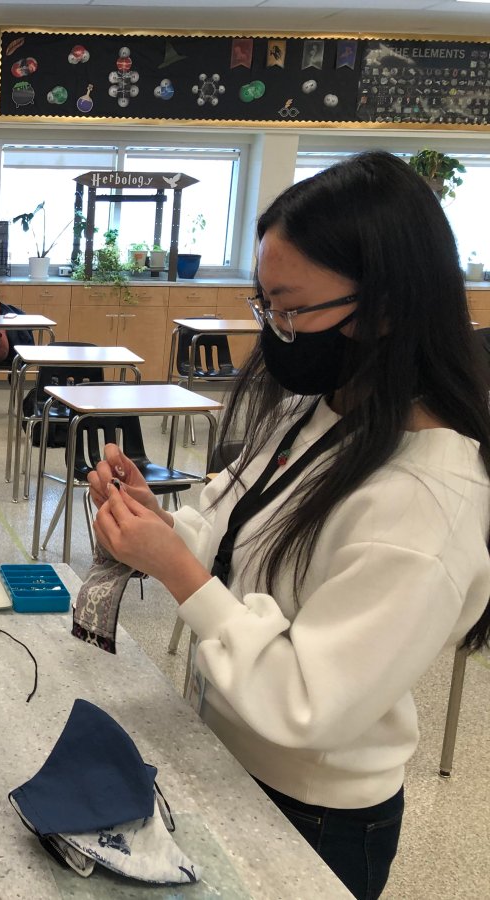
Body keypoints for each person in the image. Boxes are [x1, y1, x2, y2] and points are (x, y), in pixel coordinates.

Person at [88, 151, 490, 900]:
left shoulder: (427, 499)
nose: (277, 330)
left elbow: (308, 702)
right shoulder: (323, 407)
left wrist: (176, 570)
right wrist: (156, 525)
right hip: (225, 753)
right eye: (265, 305)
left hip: (316, 815)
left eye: (293, 308)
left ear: (387, 306)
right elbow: (230, 529)